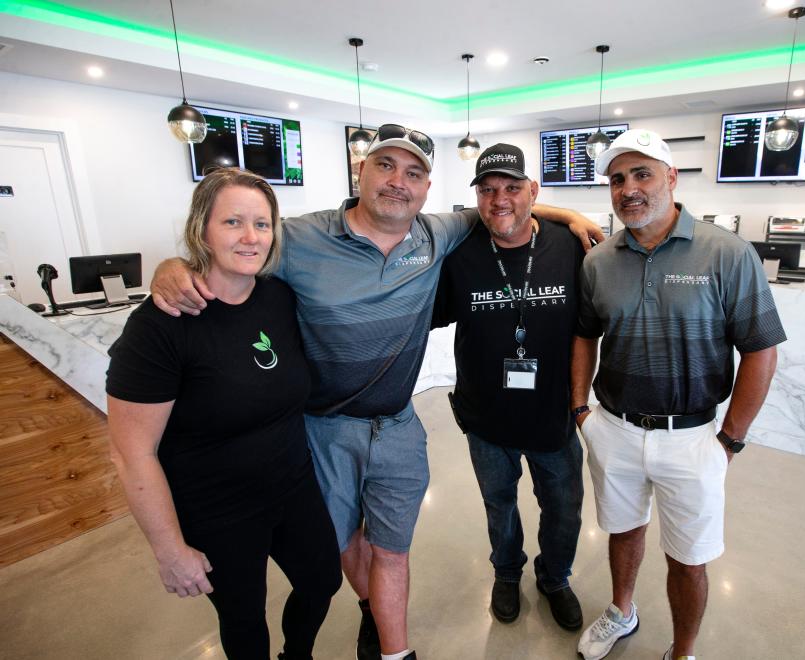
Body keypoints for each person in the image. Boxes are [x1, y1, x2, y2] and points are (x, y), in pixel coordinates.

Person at [150, 124, 604, 660]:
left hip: (400, 424)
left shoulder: (438, 234)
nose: (398, 182)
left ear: (428, 187)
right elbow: (236, 252)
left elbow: (507, 211)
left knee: (400, 546)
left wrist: (570, 216)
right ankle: (376, 607)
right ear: (360, 171)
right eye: (385, 166)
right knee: (343, 540)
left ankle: (409, 645)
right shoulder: (299, 239)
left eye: (413, 172)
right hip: (325, 427)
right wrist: (174, 266)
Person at [106, 167, 342, 660]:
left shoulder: (279, 297)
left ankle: (297, 654)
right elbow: (132, 454)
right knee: (243, 620)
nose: (251, 237)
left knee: (322, 581)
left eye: (262, 224)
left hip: (292, 487)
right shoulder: (160, 325)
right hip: (216, 509)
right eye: (233, 222)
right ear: (202, 230)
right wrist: (170, 550)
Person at [571, 129, 785, 660]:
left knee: (689, 558)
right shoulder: (600, 260)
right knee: (622, 532)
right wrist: (581, 411)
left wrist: (729, 441)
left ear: (671, 178)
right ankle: (622, 612)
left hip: (692, 438)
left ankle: (682, 651)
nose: (628, 189)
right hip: (615, 428)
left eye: (642, 174)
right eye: (617, 179)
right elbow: (584, 335)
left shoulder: (727, 253)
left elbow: (761, 350)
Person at [432, 144, 585, 630]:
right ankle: (506, 571)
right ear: (476, 196)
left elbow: (593, 326)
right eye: (488, 189)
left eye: (513, 188)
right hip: (486, 417)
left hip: (553, 416)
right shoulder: (458, 252)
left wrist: (583, 405)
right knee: (499, 505)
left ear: (533, 193)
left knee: (563, 510)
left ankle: (555, 577)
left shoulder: (570, 244)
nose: (500, 199)